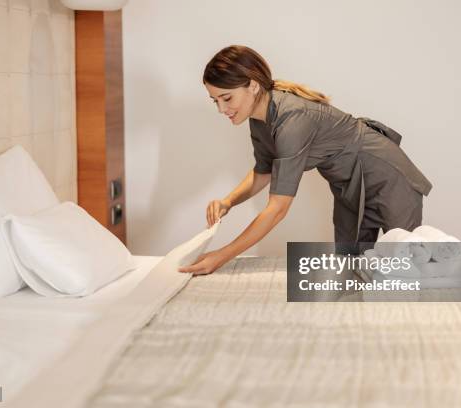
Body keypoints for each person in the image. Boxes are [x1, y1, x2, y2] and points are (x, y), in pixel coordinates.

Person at [178, 45, 432, 276]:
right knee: (351, 268)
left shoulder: (293, 120)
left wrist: (222, 256)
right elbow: (264, 171)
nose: (222, 110)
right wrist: (228, 202)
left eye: (227, 98)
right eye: (215, 101)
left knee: (406, 269)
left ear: (253, 86)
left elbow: (277, 209)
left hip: (388, 177)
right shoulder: (259, 119)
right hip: (350, 186)